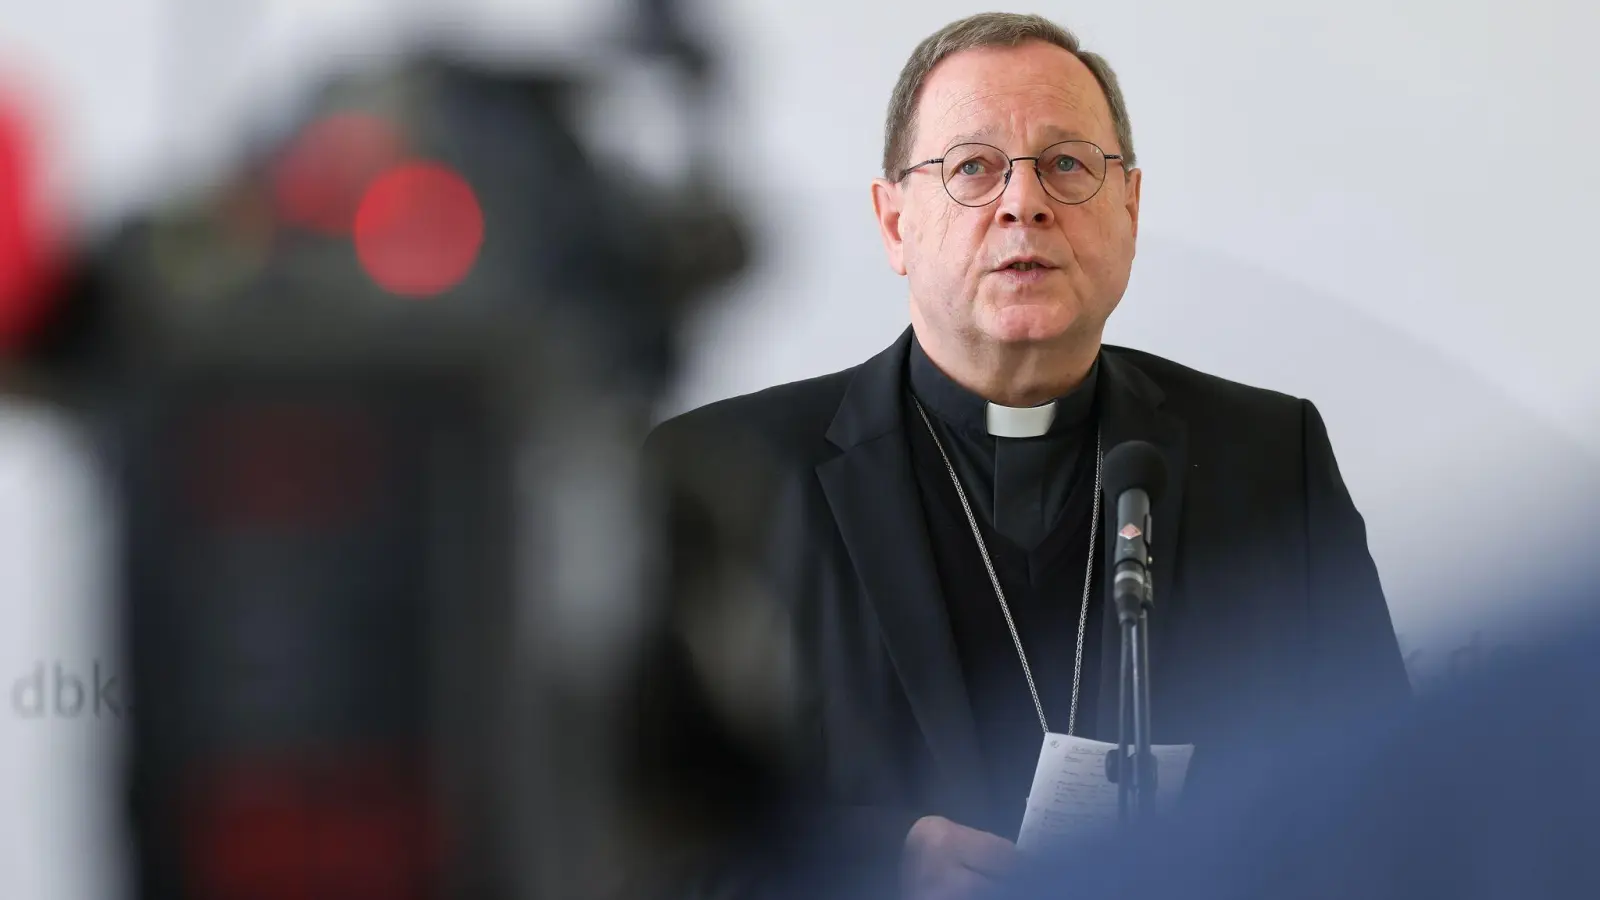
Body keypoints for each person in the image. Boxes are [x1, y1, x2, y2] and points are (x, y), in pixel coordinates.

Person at [645, 12, 1409, 900]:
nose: (1024, 202)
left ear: (1129, 207)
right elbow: (618, 850)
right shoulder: (718, 476)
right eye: (973, 168)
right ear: (895, 222)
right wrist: (871, 870)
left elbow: (1393, 807)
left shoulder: (1274, 460)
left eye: (1068, 164)